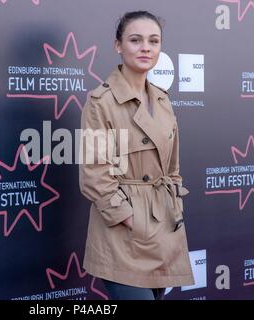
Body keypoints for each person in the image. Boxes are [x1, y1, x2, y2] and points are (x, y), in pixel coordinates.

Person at [79, 10, 194, 300]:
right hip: (124, 237)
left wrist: (173, 207)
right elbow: (95, 176)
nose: (146, 48)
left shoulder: (162, 99)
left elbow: (173, 166)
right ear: (118, 46)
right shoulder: (101, 102)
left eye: (154, 41)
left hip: (164, 229)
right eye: (135, 39)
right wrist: (132, 219)